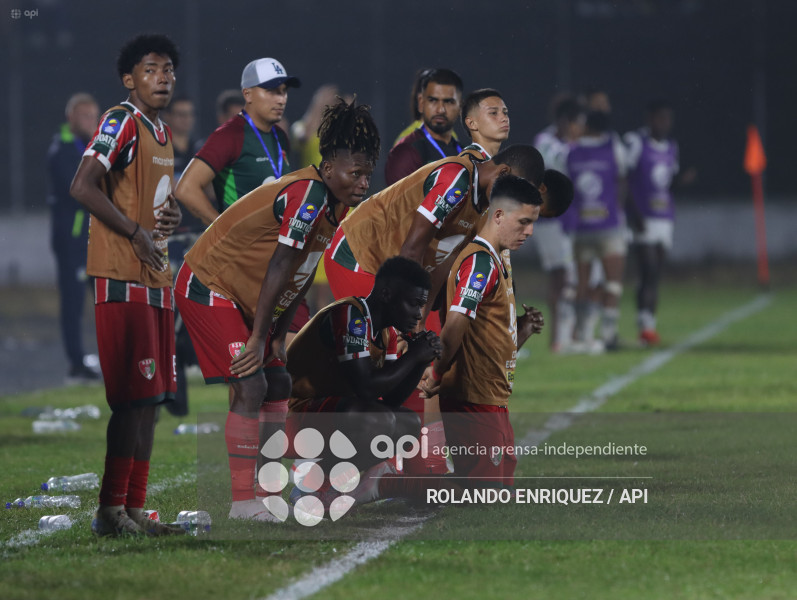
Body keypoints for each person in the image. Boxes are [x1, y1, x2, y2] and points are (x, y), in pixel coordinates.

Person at [174, 98, 380, 522]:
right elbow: (281, 265)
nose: (363, 182)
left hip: (246, 295)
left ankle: (269, 492)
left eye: (367, 174)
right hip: (209, 284)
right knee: (251, 386)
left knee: (279, 381)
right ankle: (242, 501)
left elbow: (300, 275)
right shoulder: (309, 194)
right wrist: (257, 338)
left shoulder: (336, 204)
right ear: (328, 167)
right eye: (354, 173)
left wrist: (279, 336)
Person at [351, 175, 546, 505]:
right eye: (524, 222)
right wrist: (438, 373)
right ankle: (382, 486)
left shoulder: (499, 257)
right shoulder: (479, 262)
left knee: (496, 494)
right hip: (474, 400)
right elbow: (455, 324)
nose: (529, 231)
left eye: (533, 223)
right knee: (484, 498)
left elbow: (492, 335)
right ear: (498, 216)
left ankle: (398, 483)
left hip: (494, 399)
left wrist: (522, 330)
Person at [70, 33, 184, 537]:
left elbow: (146, 199)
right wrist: (134, 232)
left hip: (154, 274)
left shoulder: (163, 133)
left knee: (154, 399)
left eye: (168, 70)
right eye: (151, 69)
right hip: (121, 276)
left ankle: (134, 509)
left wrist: (167, 217)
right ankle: (108, 511)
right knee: (132, 400)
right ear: (129, 79)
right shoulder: (122, 121)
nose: (163, 78)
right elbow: (82, 184)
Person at [279, 257, 441, 512]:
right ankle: (310, 487)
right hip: (289, 420)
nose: (419, 314)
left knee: (407, 424)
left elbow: (390, 401)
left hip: (328, 416)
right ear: (387, 294)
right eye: (414, 304)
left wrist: (420, 360)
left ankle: (346, 487)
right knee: (376, 421)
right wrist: (412, 357)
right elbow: (367, 388)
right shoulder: (350, 316)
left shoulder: (385, 331)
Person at [175, 57, 299, 226]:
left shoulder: (280, 136)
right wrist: (225, 231)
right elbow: (186, 189)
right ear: (247, 94)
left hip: (273, 245)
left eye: (283, 91)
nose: (281, 99)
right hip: (241, 250)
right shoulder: (230, 135)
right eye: (272, 91)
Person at [624, 100, 694, 346]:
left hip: (665, 218)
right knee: (648, 269)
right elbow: (625, 179)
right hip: (643, 219)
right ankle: (644, 325)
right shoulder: (636, 142)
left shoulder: (671, 147)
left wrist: (681, 181)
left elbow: (666, 184)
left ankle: (648, 324)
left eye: (668, 119)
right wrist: (634, 214)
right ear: (650, 118)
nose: (665, 124)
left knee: (654, 275)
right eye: (660, 118)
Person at [563, 105, 629, 352]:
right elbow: (622, 181)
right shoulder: (615, 147)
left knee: (582, 282)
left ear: (587, 125)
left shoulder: (571, 151)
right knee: (613, 283)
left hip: (582, 228)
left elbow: (566, 187)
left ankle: (582, 333)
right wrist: (618, 209)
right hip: (610, 227)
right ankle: (609, 333)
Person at [46, 92, 101, 384]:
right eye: (84, 115)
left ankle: (108, 358)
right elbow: (80, 190)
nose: (91, 121)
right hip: (72, 240)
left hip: (97, 239)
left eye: (94, 115)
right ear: (71, 118)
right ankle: (76, 363)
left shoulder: (93, 145)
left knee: (106, 301)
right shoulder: (62, 149)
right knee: (74, 302)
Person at [532, 95, 585, 352]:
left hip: (564, 219)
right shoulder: (546, 142)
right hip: (550, 220)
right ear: (566, 122)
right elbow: (560, 167)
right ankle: (559, 338)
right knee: (562, 276)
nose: (580, 130)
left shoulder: (564, 143)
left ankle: (566, 335)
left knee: (565, 276)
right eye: (577, 123)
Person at [162, 95, 202, 417]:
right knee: (169, 317)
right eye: (179, 114)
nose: (185, 119)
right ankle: (172, 397)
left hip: (194, 240)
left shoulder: (199, 153)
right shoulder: (160, 150)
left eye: (189, 114)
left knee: (189, 313)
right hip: (167, 242)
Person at [385, 68, 464, 185]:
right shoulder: (406, 146)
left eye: (448, 101)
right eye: (433, 100)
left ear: (460, 107)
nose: (441, 109)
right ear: (421, 102)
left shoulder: (459, 146)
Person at [460, 88, 510, 160]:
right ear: (471, 123)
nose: (505, 118)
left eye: (505, 112)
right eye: (493, 113)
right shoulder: (464, 165)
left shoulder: (499, 165)